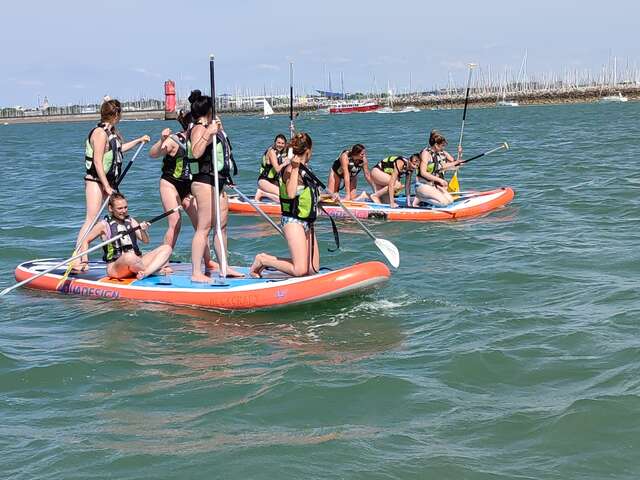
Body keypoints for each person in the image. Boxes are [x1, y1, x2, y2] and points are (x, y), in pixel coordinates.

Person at [73, 99, 149, 271]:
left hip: (108, 181)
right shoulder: (100, 133)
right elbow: (98, 162)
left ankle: (116, 253)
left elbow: (119, 150)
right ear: (116, 115)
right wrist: (106, 186)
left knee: (114, 218)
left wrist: (139, 141)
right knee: (91, 219)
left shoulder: (112, 132)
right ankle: (79, 258)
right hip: (95, 180)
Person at [148, 110, 218, 273]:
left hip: (188, 186)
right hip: (170, 183)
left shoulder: (201, 140)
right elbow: (153, 154)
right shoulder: (175, 140)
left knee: (202, 225)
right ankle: (163, 262)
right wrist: (161, 140)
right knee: (175, 223)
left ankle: (208, 261)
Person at [186, 90, 242, 281]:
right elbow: (196, 152)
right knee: (204, 227)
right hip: (203, 181)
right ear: (209, 110)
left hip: (218, 181)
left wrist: (216, 131)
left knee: (222, 226)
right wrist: (208, 133)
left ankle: (224, 266)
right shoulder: (198, 129)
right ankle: (196, 272)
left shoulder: (211, 127)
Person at [250, 132, 320, 278]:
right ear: (308, 151)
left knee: (312, 269)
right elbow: (290, 193)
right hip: (293, 220)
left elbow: (309, 193)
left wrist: (330, 197)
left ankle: (273, 261)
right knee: (300, 270)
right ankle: (262, 260)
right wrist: (294, 169)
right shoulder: (290, 169)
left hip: (307, 219)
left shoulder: (307, 168)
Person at [79, 193, 172, 279]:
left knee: (167, 248)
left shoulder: (131, 221)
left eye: (125, 207)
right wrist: (84, 262)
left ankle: (146, 272)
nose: (124, 211)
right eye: (120, 208)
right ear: (111, 208)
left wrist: (143, 230)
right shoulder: (103, 225)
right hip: (116, 267)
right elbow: (85, 241)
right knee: (129, 256)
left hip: (137, 263)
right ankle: (153, 270)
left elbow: (146, 241)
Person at [414, 131, 463, 207]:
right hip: (422, 185)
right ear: (436, 145)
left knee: (450, 200)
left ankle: (427, 199)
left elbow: (449, 166)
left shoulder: (436, 154)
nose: (443, 148)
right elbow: (423, 172)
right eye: (442, 146)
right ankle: (421, 198)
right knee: (444, 203)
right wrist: (440, 180)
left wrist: (459, 158)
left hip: (431, 186)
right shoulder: (426, 153)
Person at [255, 134, 290, 202]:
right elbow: (277, 169)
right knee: (283, 197)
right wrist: (285, 163)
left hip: (273, 182)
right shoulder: (271, 152)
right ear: (275, 143)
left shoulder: (281, 152)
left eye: (282, 143)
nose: (280, 145)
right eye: (278, 142)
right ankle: (262, 193)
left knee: (288, 194)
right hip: (264, 181)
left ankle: (264, 193)